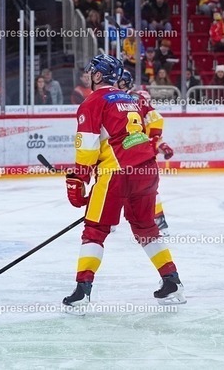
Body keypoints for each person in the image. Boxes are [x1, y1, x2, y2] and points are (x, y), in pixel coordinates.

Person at [62, 55, 184, 312]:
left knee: (95, 230)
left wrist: (79, 179)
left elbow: (87, 150)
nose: (88, 75)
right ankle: (171, 280)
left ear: (98, 76)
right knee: (146, 228)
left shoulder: (91, 102)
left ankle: (82, 290)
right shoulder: (130, 99)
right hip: (147, 169)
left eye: (91, 71)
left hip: (117, 173)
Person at [117, 70, 174, 236]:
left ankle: (158, 221)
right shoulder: (130, 98)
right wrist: (156, 142)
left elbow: (155, 120)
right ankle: (159, 222)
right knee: (134, 187)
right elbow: (156, 120)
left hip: (128, 152)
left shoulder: (130, 98)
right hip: (130, 151)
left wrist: (156, 141)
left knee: (120, 186)